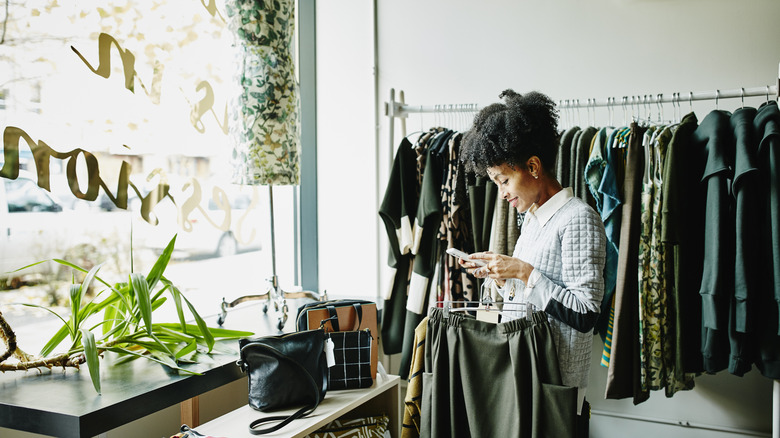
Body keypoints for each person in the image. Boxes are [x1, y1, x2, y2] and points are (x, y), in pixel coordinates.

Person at [458, 89, 607, 436]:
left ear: (534, 166)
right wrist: (499, 277)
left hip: (556, 390)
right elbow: (530, 295)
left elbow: (585, 314)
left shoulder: (579, 219)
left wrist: (523, 272)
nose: (503, 193)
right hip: (525, 380)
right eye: (497, 183)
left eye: (505, 181)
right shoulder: (533, 219)